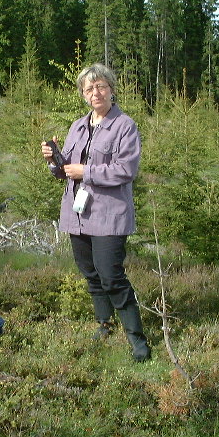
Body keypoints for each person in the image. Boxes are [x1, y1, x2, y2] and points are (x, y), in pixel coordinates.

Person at [40, 63, 151, 362]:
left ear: (111, 89)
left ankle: (136, 339)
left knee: (112, 275)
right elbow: (64, 172)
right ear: (83, 95)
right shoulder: (77, 126)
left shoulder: (124, 125)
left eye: (100, 86)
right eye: (89, 89)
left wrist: (85, 171)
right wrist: (54, 161)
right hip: (77, 214)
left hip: (109, 214)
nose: (95, 93)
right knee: (90, 273)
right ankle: (104, 324)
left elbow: (126, 170)